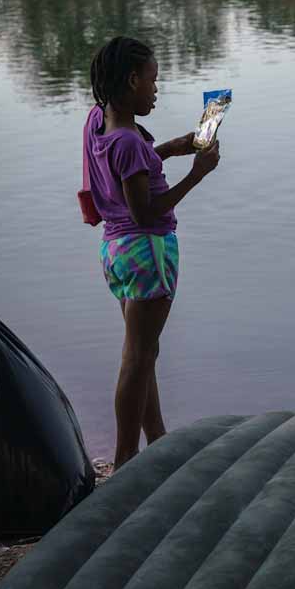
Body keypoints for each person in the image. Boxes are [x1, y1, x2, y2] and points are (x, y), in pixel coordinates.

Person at [83, 36, 221, 468]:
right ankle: (126, 458)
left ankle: (155, 437)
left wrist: (169, 149)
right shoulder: (127, 141)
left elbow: (125, 173)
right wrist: (197, 173)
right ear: (130, 80)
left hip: (116, 250)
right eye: (152, 81)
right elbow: (145, 211)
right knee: (138, 355)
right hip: (147, 251)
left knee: (143, 352)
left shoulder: (97, 123)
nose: (156, 89)